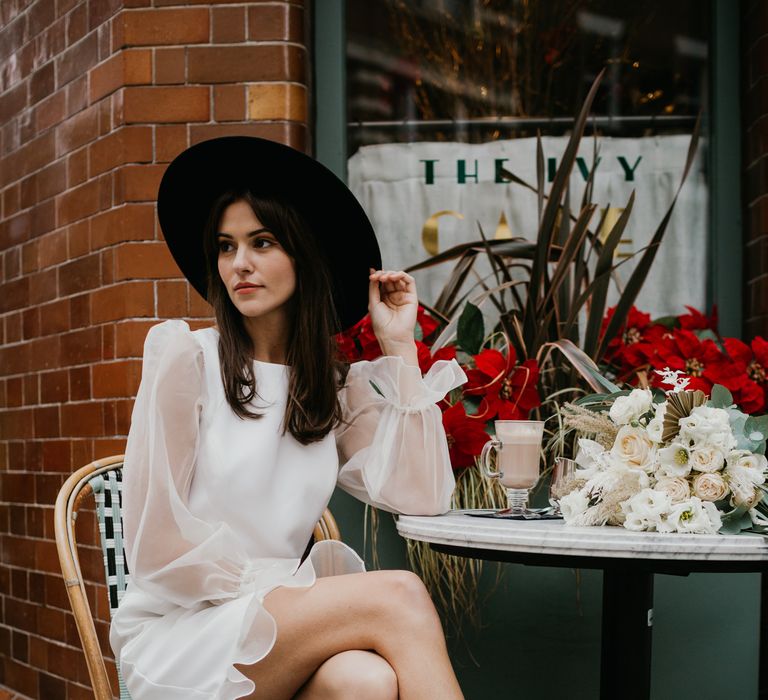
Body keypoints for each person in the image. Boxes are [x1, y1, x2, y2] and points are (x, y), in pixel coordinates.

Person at [109, 136, 468, 700]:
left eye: (263, 242)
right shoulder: (189, 360)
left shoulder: (330, 388)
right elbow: (155, 542)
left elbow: (422, 495)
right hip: (187, 632)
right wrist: (268, 591)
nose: (240, 265)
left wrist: (399, 346)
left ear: (304, 254)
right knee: (398, 595)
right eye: (226, 247)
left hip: (276, 622)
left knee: (367, 682)